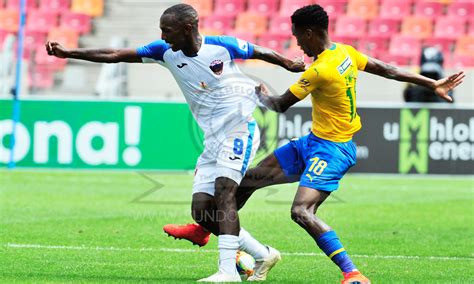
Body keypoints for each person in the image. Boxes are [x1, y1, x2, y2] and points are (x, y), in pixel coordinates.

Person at [164, 4, 465, 284]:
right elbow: (386, 68)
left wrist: (255, 92)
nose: (297, 45)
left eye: (297, 37)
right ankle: (205, 230)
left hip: (333, 150)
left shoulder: (319, 71)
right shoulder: (346, 53)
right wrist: (431, 82)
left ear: (309, 33)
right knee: (244, 185)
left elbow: (279, 105)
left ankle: (353, 273)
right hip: (312, 142)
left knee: (301, 212)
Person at [45, 3, 305, 282]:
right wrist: (69, 52)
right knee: (202, 212)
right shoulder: (164, 51)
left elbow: (258, 50)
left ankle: (228, 271)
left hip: (239, 129)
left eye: (167, 30)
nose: (163, 35)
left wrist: (288, 63)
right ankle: (263, 254)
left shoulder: (221, 47)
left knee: (224, 194)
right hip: (212, 139)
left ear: (188, 28)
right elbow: (115, 54)